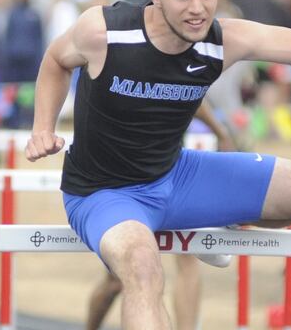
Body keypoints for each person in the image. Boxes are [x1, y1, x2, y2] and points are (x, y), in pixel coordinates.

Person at [25, 0, 291, 330]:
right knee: (143, 270)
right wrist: (42, 128)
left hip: (177, 176)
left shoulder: (222, 41)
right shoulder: (105, 31)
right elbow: (55, 61)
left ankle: (213, 217)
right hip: (104, 192)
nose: (198, 9)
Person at [86, 101, 235, 330]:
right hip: (126, 178)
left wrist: (220, 132)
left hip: (169, 169)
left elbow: (195, 98)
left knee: (188, 255)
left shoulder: (178, 73)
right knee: (116, 281)